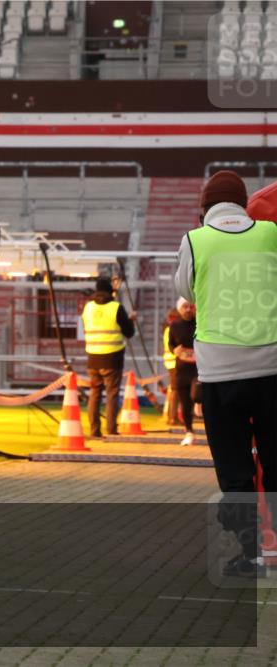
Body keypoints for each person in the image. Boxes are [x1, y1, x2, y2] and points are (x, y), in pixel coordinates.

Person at [175, 170, 277, 577]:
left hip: (219, 371)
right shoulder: (270, 233)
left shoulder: (195, 240)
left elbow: (185, 291)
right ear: (242, 201)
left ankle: (251, 553)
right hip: (271, 365)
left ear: (204, 208)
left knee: (234, 469)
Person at [80, 276, 136, 438]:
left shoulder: (88, 308)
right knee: (111, 394)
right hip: (113, 357)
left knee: (95, 394)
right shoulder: (116, 307)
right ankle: (111, 429)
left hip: (92, 357)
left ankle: (94, 430)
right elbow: (129, 333)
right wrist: (131, 320)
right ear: (111, 290)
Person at [168, 298, 198, 445]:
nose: (188, 309)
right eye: (185, 307)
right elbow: (170, 343)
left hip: (199, 369)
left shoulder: (201, 323)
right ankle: (189, 431)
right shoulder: (175, 325)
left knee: (199, 397)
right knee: (185, 402)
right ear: (180, 309)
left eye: (190, 307)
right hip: (181, 369)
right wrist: (174, 350)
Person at [162, 308, 180, 426]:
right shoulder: (173, 329)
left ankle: (172, 416)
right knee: (175, 390)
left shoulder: (168, 329)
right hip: (174, 362)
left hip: (171, 362)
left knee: (174, 389)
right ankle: (172, 417)